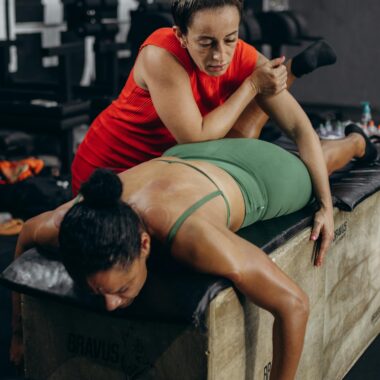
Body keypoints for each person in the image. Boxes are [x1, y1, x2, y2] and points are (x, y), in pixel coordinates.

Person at [11, 130, 378, 380]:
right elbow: (26, 234)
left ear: (144, 244)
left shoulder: (190, 237)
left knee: (314, 169)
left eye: (121, 289)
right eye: (97, 291)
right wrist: (19, 334)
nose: (109, 305)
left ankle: (357, 141)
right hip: (186, 157)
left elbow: (294, 304)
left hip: (261, 175)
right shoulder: (71, 221)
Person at [71, 0, 337, 194]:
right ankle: (296, 73)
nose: (220, 55)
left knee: (239, 142)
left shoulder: (242, 54)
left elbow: (300, 129)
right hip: (107, 172)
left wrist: (325, 206)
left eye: (230, 39)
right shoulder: (161, 55)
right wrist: (252, 86)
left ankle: (354, 140)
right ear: (181, 35)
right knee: (234, 150)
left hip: (166, 168)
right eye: (206, 43)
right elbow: (194, 138)